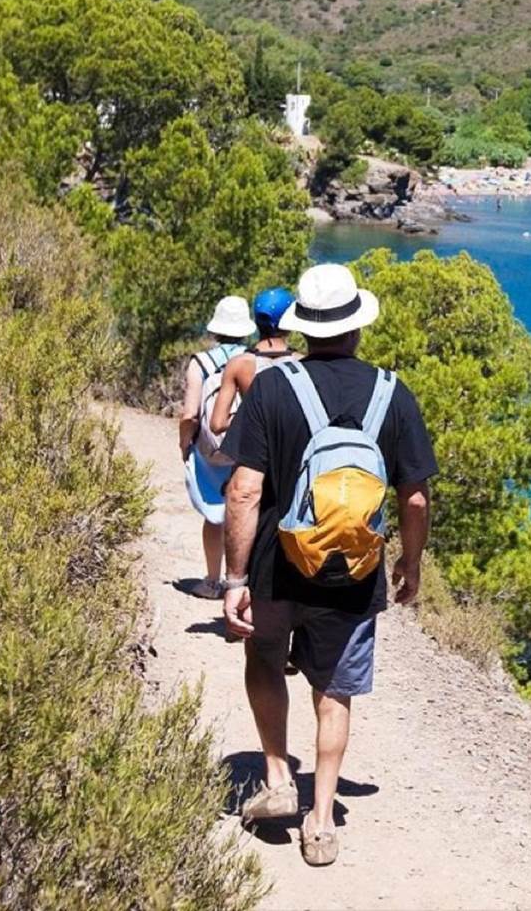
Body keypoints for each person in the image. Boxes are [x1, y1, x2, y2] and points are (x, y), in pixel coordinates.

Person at [220, 263, 436, 868]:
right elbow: (414, 494)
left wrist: (234, 580)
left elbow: (243, 490)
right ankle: (321, 822)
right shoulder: (393, 394)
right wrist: (410, 565)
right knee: (334, 687)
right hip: (355, 572)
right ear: (357, 327)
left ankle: (276, 778)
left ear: (305, 328)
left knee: (263, 657)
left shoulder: (271, 388)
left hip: (274, 565)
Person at [180, 294, 257, 599]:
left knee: (214, 514)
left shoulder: (200, 363)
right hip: (246, 447)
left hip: (210, 449)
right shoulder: (254, 360)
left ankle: (212, 582)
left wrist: (185, 444)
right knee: (246, 511)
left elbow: (189, 414)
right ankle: (241, 583)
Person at [209, 287, 297, 440]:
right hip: (292, 449)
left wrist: (253, 417)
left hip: (254, 448)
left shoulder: (238, 364)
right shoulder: (303, 362)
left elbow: (217, 424)